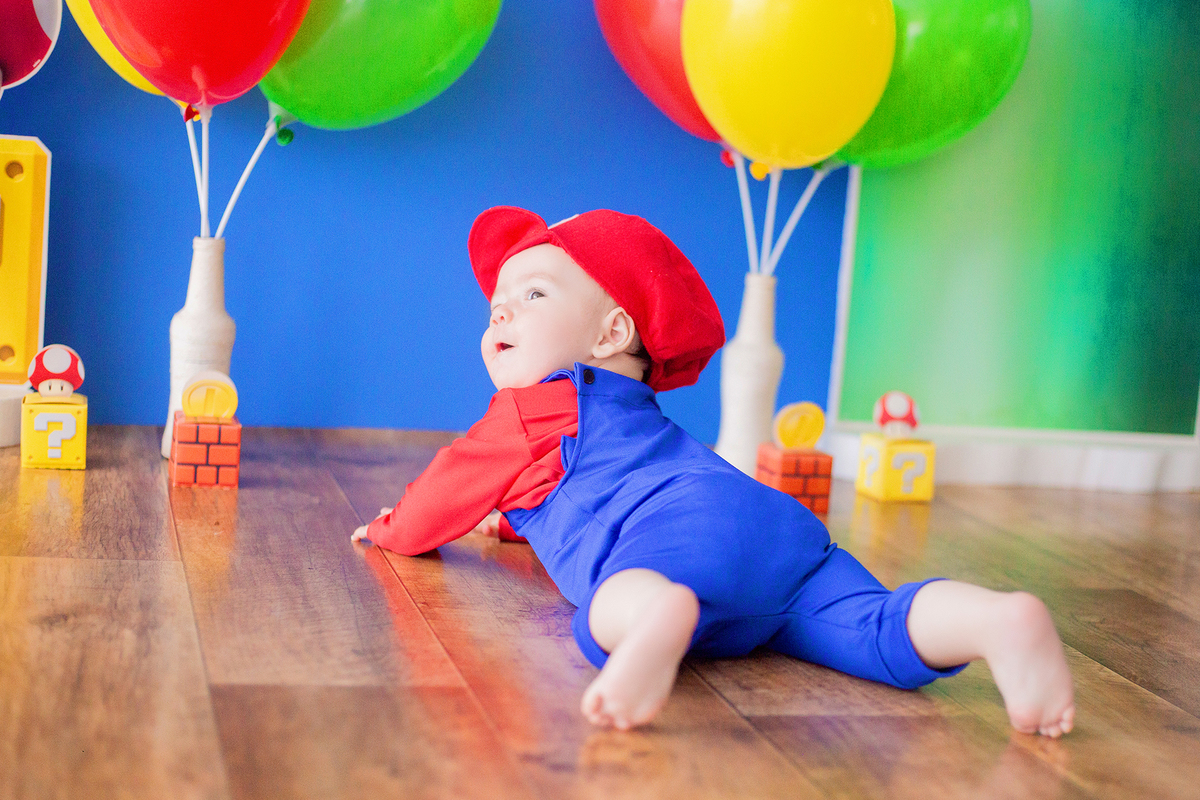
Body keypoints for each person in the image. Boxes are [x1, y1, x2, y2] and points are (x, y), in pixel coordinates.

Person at [352, 206, 1076, 736]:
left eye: (533, 296)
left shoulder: (537, 408)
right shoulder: (632, 417)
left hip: (676, 547)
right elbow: (572, 489)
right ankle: (993, 620)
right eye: (495, 307)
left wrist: (393, 529)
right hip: (777, 531)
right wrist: (505, 522)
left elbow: (445, 490)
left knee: (617, 595)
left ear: (611, 332)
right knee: (876, 629)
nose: (501, 316)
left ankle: (655, 616)